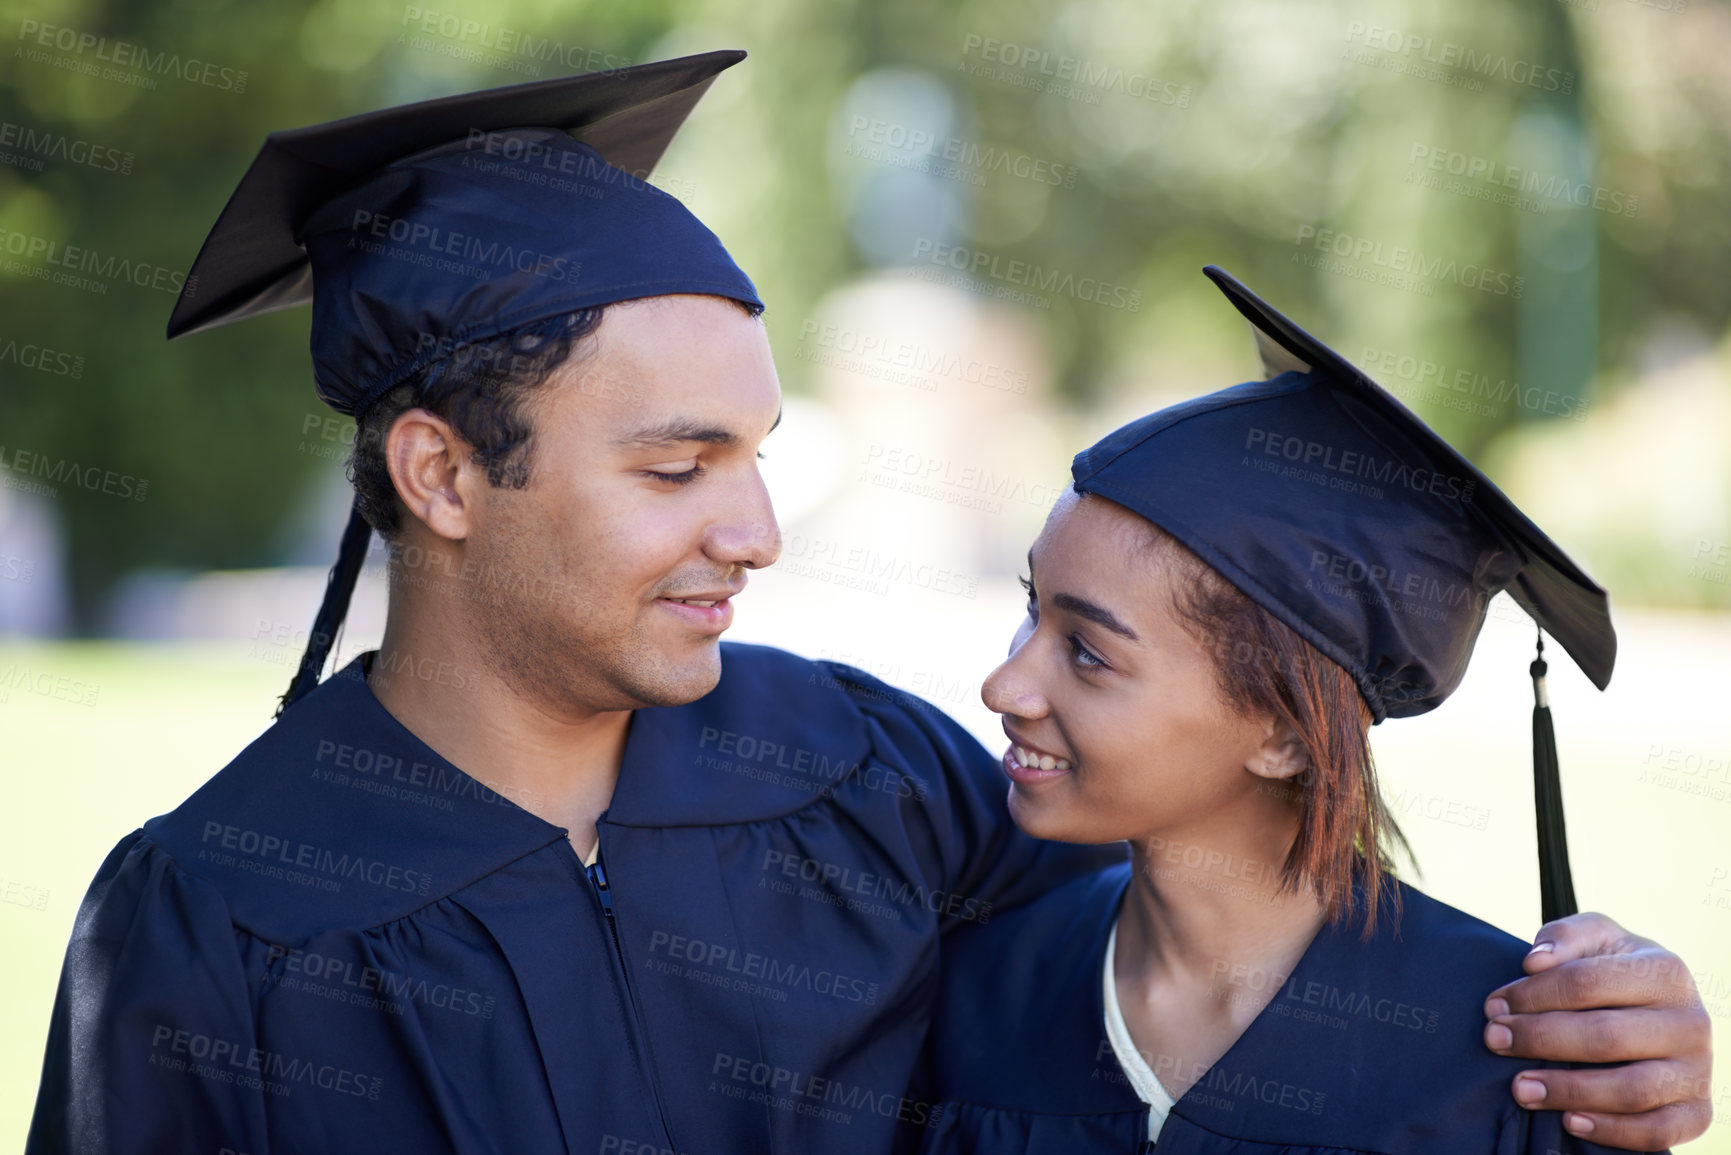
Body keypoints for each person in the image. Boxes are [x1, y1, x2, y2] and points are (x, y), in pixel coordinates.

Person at [25, 58, 1711, 1155]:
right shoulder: (212, 923)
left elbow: (1222, 875)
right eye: (678, 468)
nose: (755, 530)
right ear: (444, 477)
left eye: (756, 454)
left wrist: (1601, 1012)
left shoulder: (873, 785)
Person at [916, 267, 1708, 1153]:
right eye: (1033, 606)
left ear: (1288, 735)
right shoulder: (980, 986)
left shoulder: (1513, 1066)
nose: (1004, 685)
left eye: (1088, 653)